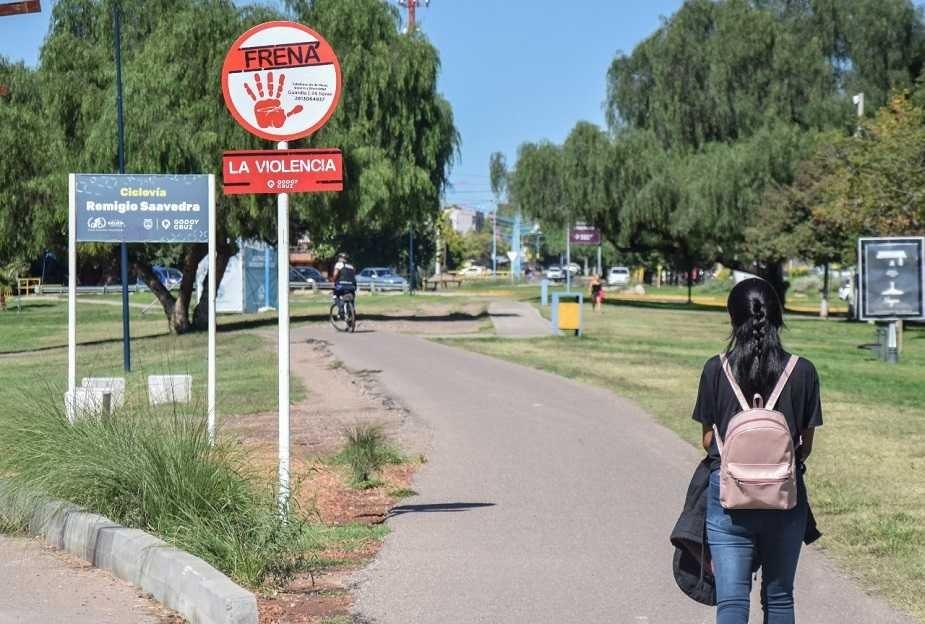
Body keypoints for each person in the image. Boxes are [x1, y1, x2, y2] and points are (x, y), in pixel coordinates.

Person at [691, 277, 823, 623]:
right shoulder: (803, 371)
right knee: (780, 599)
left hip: (729, 498)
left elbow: (708, 441)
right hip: (784, 497)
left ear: (733, 318)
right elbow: (803, 447)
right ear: (778, 316)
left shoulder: (715, 369)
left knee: (732, 601)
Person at [331, 252, 357, 318]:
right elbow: (353, 275)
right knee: (351, 296)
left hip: (341, 285)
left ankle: (341, 309)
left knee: (335, 295)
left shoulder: (338, 264)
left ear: (340, 258)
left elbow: (335, 275)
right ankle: (352, 311)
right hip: (352, 286)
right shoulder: (351, 266)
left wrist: (333, 281)